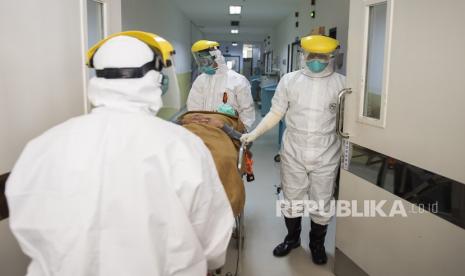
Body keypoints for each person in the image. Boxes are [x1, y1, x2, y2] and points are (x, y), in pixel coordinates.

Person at [6, 31, 234, 276]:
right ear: (155, 79)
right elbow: (213, 244)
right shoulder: (182, 146)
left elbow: (27, 226)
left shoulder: (44, 146)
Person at [241, 35, 345, 265]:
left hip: (327, 151)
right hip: (294, 149)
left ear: (331, 57)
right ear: (303, 55)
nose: (316, 61)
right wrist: (254, 134)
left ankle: (316, 245)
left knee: (322, 201)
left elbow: (348, 123)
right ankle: (292, 239)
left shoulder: (342, 84)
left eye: (322, 56)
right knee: (291, 197)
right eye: (312, 55)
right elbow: (275, 113)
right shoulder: (290, 80)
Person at [187, 40, 255, 130]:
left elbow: (247, 111)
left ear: (216, 57)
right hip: (203, 130)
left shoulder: (238, 80)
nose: (203, 66)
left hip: (231, 131)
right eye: (200, 62)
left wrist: (241, 133)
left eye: (205, 61)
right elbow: (193, 107)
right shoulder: (200, 80)